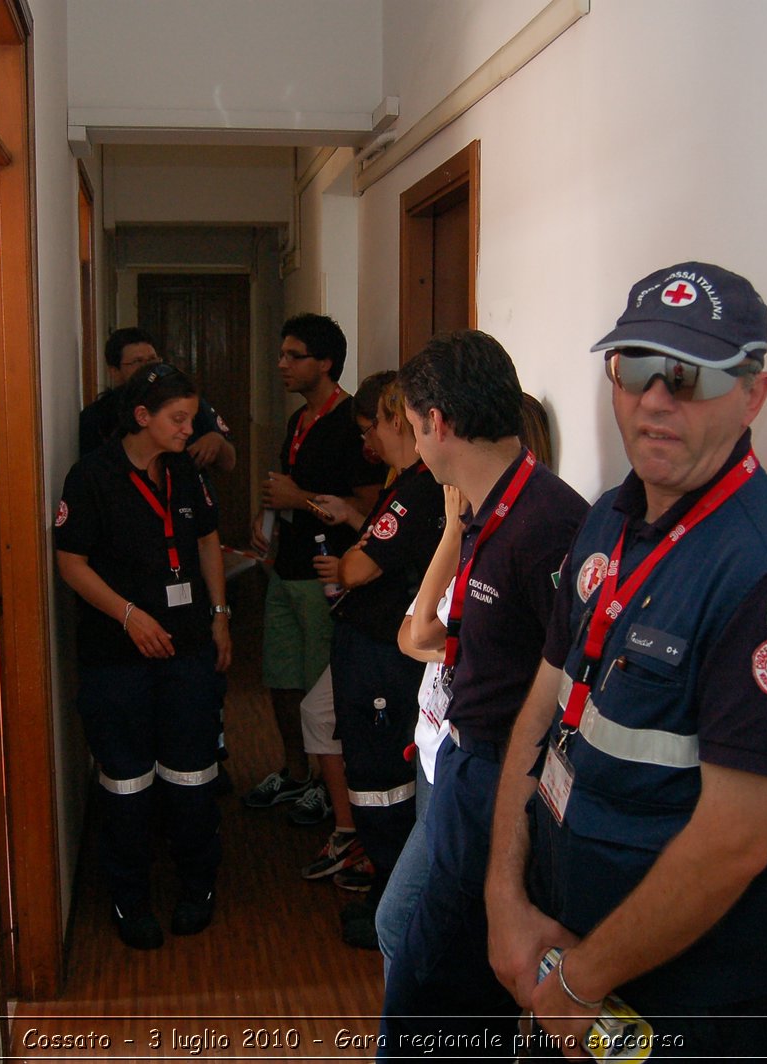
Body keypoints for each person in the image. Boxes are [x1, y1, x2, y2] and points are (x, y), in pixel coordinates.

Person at [485, 262, 767, 1060]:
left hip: (678, 1008)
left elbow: (733, 843)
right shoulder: (607, 521)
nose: (656, 397)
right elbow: (545, 705)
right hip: (564, 957)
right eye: (637, 367)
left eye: (688, 376)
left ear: (754, 395)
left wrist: (578, 986)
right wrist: (503, 897)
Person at [378, 334, 587, 1059]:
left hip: (503, 782)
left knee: (434, 987)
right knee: (432, 968)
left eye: (410, 425)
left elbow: (567, 685)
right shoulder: (486, 514)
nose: (412, 441)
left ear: (437, 422)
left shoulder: (549, 524)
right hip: (469, 769)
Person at [53, 364, 233, 951]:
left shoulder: (184, 472)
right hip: (117, 655)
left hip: (186, 647)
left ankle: (196, 887)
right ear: (141, 418)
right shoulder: (92, 478)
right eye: (177, 419)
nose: (189, 429)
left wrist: (221, 613)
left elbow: (206, 537)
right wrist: (129, 615)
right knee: (126, 781)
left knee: (193, 772)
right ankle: (129, 898)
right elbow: (70, 563)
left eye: (191, 417)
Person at [377, 395, 554, 971]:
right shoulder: (481, 534)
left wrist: (453, 534)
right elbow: (410, 635)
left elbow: (424, 631)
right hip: (435, 752)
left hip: (468, 760)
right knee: (423, 933)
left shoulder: (521, 538)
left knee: (400, 927)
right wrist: (456, 534)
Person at [305, 371, 445, 950]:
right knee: (371, 773)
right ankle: (390, 888)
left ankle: (394, 895)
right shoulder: (402, 482)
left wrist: (355, 555)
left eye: (380, 426)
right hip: (373, 650)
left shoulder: (418, 488)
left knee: (384, 782)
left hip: (387, 660)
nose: (373, 440)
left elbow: (361, 567)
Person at [244, 314, 384, 816]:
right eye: (281, 353)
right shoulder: (298, 421)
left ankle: (329, 790)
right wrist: (270, 519)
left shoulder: (352, 425)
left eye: (293, 355)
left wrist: (299, 499)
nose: (282, 364)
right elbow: (288, 490)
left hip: (328, 579)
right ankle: (296, 772)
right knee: (280, 678)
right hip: (286, 568)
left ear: (325, 363)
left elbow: (370, 513)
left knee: (317, 687)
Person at [79, 326, 236, 472]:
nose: (149, 368)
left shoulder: (185, 402)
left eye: (152, 359)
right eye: (138, 362)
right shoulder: (96, 417)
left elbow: (229, 462)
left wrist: (217, 441)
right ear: (114, 372)